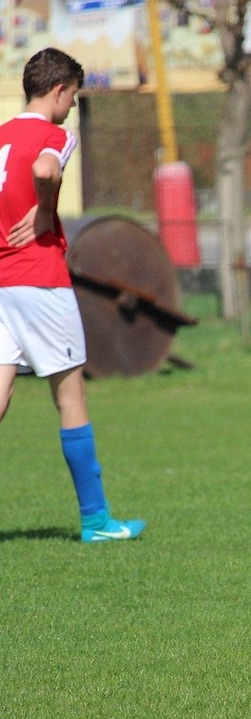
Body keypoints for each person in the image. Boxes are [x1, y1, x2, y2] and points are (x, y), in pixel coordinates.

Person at [0, 48, 145, 544]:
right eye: (74, 98)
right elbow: (45, 170)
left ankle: (98, 519)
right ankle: (97, 520)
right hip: (40, 280)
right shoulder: (55, 134)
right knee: (70, 396)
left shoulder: (0, 137)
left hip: (1, 285)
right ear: (60, 90)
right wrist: (44, 212)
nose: (71, 108)